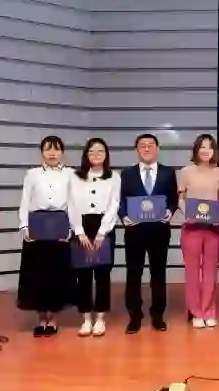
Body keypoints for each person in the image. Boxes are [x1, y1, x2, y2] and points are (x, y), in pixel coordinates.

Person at [118, 134, 179, 334]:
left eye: (150, 145)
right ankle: (134, 316)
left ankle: (158, 314)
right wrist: (123, 217)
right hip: (134, 231)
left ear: (157, 148)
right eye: (142, 146)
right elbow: (120, 201)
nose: (146, 149)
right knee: (133, 274)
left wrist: (170, 211)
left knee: (158, 274)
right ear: (136, 150)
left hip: (159, 231)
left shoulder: (168, 172)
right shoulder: (126, 174)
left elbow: (173, 199)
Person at [16, 135, 74, 337]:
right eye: (48, 149)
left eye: (56, 149)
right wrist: (24, 226)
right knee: (37, 275)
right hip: (37, 227)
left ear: (62, 152)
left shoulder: (71, 174)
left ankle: (54, 320)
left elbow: (74, 203)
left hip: (60, 227)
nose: (52, 153)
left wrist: (71, 229)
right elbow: (25, 201)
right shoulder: (32, 174)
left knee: (57, 275)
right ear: (41, 152)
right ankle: (41, 319)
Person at [68, 138, 121, 337]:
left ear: (106, 155)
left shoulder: (113, 177)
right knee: (82, 275)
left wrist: (102, 232)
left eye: (100, 151)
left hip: (104, 227)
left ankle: (100, 319)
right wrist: (79, 231)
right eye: (92, 151)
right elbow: (71, 204)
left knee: (102, 275)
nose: (96, 155)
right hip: (81, 226)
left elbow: (114, 204)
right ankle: (86, 319)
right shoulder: (75, 177)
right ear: (86, 155)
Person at [178, 134, 219, 329]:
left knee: (210, 271)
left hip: (213, 228)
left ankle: (209, 311)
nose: (206, 150)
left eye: (210, 147)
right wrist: (187, 213)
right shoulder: (186, 172)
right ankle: (196, 312)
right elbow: (181, 198)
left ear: (215, 151)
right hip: (191, 228)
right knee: (192, 271)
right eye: (202, 147)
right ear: (196, 150)